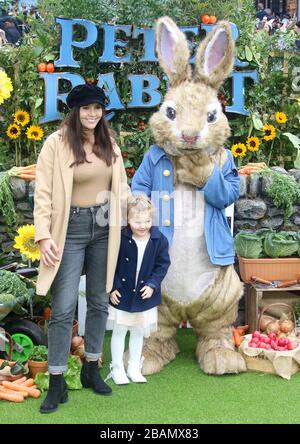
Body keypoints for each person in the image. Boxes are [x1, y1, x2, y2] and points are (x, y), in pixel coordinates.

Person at [34, 84, 129, 413]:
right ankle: (57, 379)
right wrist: (44, 236)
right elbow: (43, 193)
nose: (92, 113)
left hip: (104, 227)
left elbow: (122, 188)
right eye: (86, 108)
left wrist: (129, 223)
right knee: (63, 306)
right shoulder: (56, 144)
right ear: (74, 111)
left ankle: (91, 367)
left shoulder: (108, 143)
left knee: (100, 301)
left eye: (98, 108)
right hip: (69, 229)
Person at [107, 195, 170, 384]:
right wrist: (113, 287)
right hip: (123, 293)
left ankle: (134, 367)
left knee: (137, 332)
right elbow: (111, 264)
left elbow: (162, 265)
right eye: (137, 221)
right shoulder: (120, 237)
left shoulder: (159, 239)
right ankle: (117, 368)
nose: (143, 226)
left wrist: (152, 284)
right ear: (128, 219)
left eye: (147, 221)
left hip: (144, 294)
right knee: (119, 331)